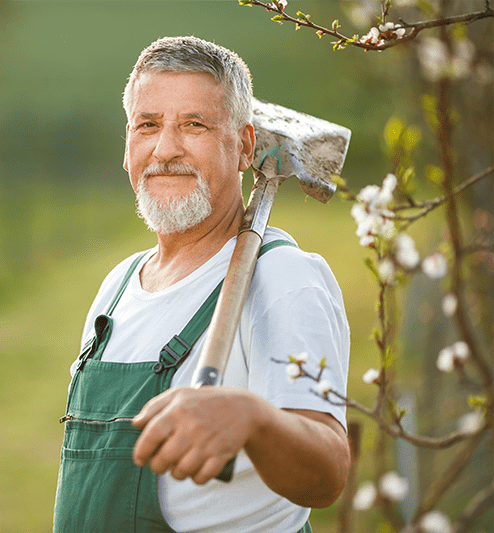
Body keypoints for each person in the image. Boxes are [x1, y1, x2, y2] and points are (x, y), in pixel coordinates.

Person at [54, 36, 351, 533]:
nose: (166, 149)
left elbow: (328, 474)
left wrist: (254, 418)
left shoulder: (284, 279)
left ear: (245, 146)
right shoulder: (118, 285)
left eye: (194, 125)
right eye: (148, 125)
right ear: (127, 148)